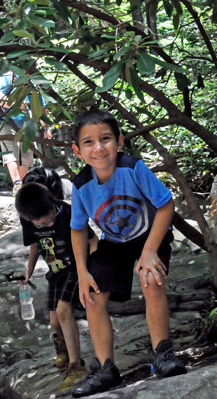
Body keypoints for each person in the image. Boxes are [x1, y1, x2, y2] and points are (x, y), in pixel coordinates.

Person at [69, 109, 186, 397]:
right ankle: (106, 369)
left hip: (150, 235)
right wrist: (83, 272)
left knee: (151, 279)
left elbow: (165, 205)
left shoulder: (133, 168)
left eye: (105, 139)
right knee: (92, 297)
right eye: (88, 142)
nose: (98, 148)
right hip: (114, 242)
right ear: (77, 150)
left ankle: (162, 354)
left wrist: (149, 252)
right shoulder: (81, 184)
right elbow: (78, 229)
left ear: (119, 141)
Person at [15, 181, 98, 391]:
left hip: (77, 268)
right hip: (56, 272)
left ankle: (76, 366)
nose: (48, 225)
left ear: (53, 205)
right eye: (42, 224)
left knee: (63, 311)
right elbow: (35, 245)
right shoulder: (29, 222)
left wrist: (92, 269)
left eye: (51, 218)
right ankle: (63, 347)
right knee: (54, 322)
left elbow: (92, 239)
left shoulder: (69, 213)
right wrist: (28, 272)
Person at [0, 67, 52, 195]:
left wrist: (46, 127)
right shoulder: (8, 77)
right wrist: (17, 105)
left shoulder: (34, 84)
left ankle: (24, 185)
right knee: (10, 153)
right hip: (4, 121)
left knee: (26, 153)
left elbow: (40, 108)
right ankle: (17, 183)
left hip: (26, 123)